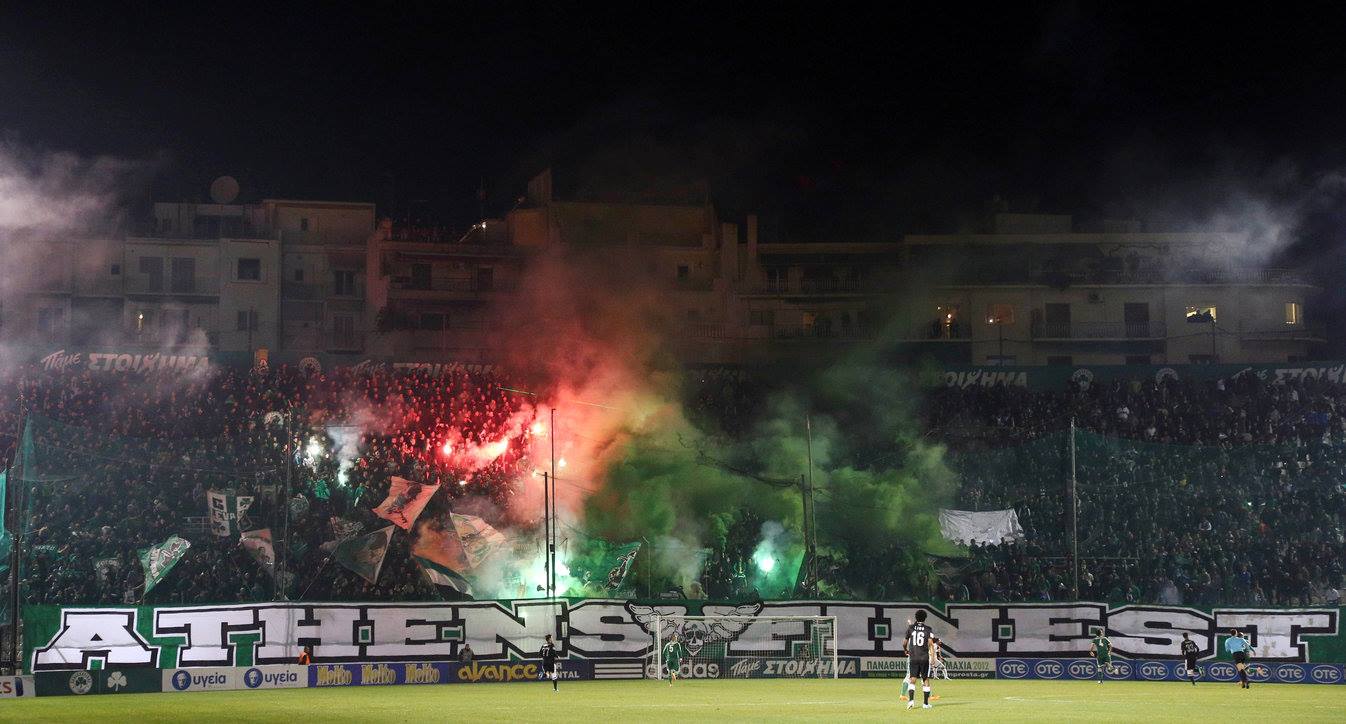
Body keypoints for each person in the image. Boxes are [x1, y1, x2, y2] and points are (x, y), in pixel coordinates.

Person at [903, 610, 935, 710]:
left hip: (913, 657)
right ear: (925, 618)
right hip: (924, 657)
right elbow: (930, 644)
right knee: (925, 679)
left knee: (912, 679)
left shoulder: (911, 628)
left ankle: (911, 701)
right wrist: (933, 657)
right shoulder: (928, 629)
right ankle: (925, 704)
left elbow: (904, 643)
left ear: (916, 617)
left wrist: (905, 650)